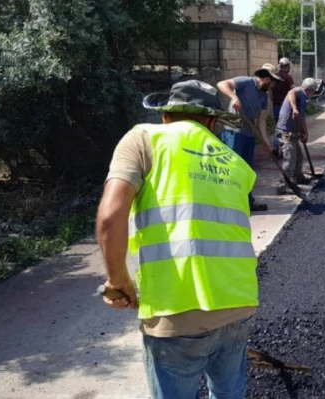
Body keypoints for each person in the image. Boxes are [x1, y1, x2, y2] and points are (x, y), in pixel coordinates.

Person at [96, 80, 259, 399]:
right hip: (239, 304)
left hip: (176, 312)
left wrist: (118, 280)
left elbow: (110, 216)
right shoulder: (236, 163)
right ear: (213, 121)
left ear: (166, 116)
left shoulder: (145, 138)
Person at [217, 63, 283, 211]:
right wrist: (234, 97)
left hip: (248, 135)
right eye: (273, 84)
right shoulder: (245, 82)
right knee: (232, 170)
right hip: (234, 133)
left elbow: (261, 120)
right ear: (267, 79)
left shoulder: (264, 96)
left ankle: (247, 201)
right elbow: (221, 84)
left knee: (248, 171)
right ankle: (229, 204)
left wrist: (266, 142)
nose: (272, 87)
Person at [275, 78, 318, 195]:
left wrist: (305, 133)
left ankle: (298, 178)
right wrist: (294, 108)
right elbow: (290, 93)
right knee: (289, 160)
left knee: (298, 157)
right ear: (309, 90)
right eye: (313, 91)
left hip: (294, 133)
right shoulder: (298, 91)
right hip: (286, 133)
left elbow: (302, 117)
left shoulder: (303, 98)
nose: (313, 94)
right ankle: (282, 186)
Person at [270, 58, 296, 157]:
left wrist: (275, 101)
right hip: (285, 108)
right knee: (285, 129)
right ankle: (283, 149)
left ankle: (276, 147)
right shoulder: (288, 78)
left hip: (276, 106)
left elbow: (271, 93)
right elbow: (294, 91)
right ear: (287, 66)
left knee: (278, 127)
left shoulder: (275, 77)